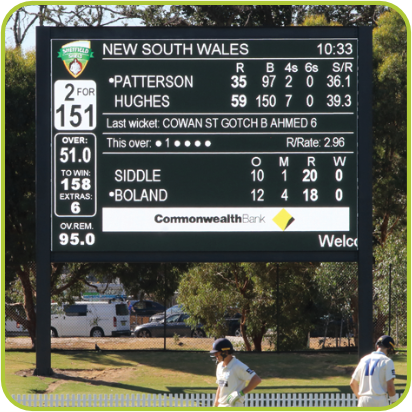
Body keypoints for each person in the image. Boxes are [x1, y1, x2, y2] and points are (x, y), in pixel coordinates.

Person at [210, 338, 262, 407]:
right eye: (214, 353)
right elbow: (220, 386)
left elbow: (256, 379)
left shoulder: (238, 365)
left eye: (217, 352)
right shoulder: (219, 366)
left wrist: (241, 393)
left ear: (226, 352)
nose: (215, 355)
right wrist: (215, 405)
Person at [350, 335, 397, 407]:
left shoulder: (364, 359)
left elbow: (352, 383)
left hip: (363, 400)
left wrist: (360, 397)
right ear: (389, 348)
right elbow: (390, 387)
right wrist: (394, 402)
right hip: (379, 400)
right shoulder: (387, 361)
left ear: (377, 346)